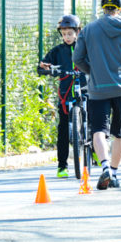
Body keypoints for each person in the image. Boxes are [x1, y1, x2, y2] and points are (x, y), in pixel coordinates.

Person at [73, 0, 121, 190]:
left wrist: (93, 71)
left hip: (98, 88)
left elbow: (77, 58)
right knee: (119, 132)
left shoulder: (88, 29)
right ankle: (114, 172)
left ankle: (104, 165)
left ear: (103, 6)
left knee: (98, 130)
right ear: (120, 6)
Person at [37, 14, 82, 178]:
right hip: (65, 95)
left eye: (70, 33)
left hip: (84, 91)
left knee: (93, 119)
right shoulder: (57, 51)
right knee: (62, 129)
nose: (67, 37)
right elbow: (43, 65)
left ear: (77, 32)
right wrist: (44, 67)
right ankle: (62, 166)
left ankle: (95, 152)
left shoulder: (84, 48)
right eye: (64, 34)